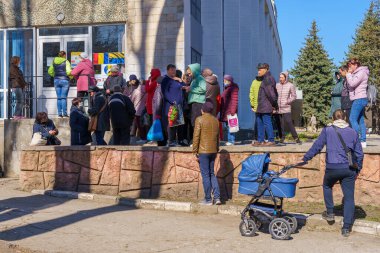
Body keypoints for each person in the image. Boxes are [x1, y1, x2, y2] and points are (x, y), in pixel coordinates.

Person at [301, 109, 364, 237]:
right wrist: (358, 169)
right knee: (349, 197)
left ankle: (330, 212)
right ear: (345, 118)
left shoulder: (328, 130)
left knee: (327, 185)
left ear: (333, 119)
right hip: (349, 169)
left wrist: (305, 158)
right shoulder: (353, 132)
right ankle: (346, 227)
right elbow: (359, 154)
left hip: (332, 168)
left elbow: (317, 146)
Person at [192, 102, 221, 206]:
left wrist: (195, 151)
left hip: (203, 151)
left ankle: (208, 199)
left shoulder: (199, 119)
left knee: (205, 175)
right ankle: (217, 197)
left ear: (202, 110)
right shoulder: (215, 120)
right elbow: (218, 137)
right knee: (212, 173)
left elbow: (196, 137)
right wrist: (217, 149)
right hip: (213, 150)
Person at [253, 63, 278, 146]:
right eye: (258, 69)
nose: (258, 71)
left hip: (266, 105)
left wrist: (274, 105)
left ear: (266, 69)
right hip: (261, 105)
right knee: (259, 122)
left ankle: (271, 140)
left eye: (260, 70)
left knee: (267, 122)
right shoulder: (265, 78)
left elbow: (271, 94)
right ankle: (260, 140)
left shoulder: (268, 79)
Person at [346, 58, 369, 148]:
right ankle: (362, 141)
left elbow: (352, 83)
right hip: (360, 98)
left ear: (356, 65)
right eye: (348, 66)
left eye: (350, 65)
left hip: (359, 98)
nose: (349, 67)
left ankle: (357, 139)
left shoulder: (361, 72)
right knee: (360, 120)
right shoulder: (358, 73)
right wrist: (350, 74)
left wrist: (348, 74)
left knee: (352, 119)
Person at [161, 64, 185, 147]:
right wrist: (172, 101)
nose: (173, 72)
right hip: (171, 105)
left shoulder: (176, 80)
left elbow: (184, 87)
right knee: (171, 123)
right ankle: (171, 141)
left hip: (179, 105)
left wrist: (180, 80)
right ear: (168, 71)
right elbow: (165, 93)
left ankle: (178, 140)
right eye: (171, 70)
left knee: (178, 124)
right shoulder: (165, 80)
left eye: (174, 70)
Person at [275, 71, 300, 144]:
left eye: (282, 77)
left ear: (286, 78)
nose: (280, 79)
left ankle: (296, 138)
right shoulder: (277, 85)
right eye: (280, 77)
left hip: (286, 107)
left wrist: (287, 101)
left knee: (289, 122)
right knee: (280, 123)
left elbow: (294, 96)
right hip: (278, 108)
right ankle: (282, 138)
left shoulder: (290, 85)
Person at [48, 51, 72, 117]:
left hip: (56, 80)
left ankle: (59, 113)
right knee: (63, 98)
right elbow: (68, 72)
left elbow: (50, 71)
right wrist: (71, 77)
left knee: (59, 98)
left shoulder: (54, 61)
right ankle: (64, 113)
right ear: (64, 55)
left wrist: (55, 76)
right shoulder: (66, 61)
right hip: (64, 80)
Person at [184, 63, 206, 128]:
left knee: (196, 121)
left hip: (198, 102)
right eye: (188, 74)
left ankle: (197, 137)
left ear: (194, 71)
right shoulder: (195, 79)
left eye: (190, 73)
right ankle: (196, 137)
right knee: (194, 121)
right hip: (194, 102)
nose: (189, 75)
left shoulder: (200, 78)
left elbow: (203, 89)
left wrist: (190, 89)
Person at [220, 75, 239, 146]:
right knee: (229, 125)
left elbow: (234, 100)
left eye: (225, 81)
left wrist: (233, 111)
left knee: (231, 126)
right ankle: (230, 140)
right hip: (227, 110)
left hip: (230, 111)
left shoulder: (233, 88)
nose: (224, 82)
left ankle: (231, 141)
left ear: (229, 81)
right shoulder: (228, 88)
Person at [130, 78, 147, 143]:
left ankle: (143, 138)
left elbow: (131, 100)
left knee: (140, 125)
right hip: (146, 110)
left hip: (137, 111)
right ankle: (146, 138)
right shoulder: (147, 90)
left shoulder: (136, 91)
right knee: (146, 125)